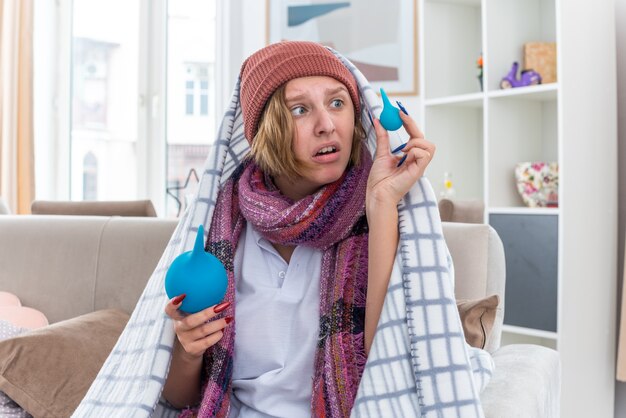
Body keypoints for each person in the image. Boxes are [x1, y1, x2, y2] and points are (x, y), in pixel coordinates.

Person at [162, 41, 434, 417]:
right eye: (300, 110)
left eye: (337, 103)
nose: (327, 125)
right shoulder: (222, 226)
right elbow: (181, 400)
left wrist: (382, 205)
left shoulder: (381, 216)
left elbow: (387, 372)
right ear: (264, 132)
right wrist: (188, 348)